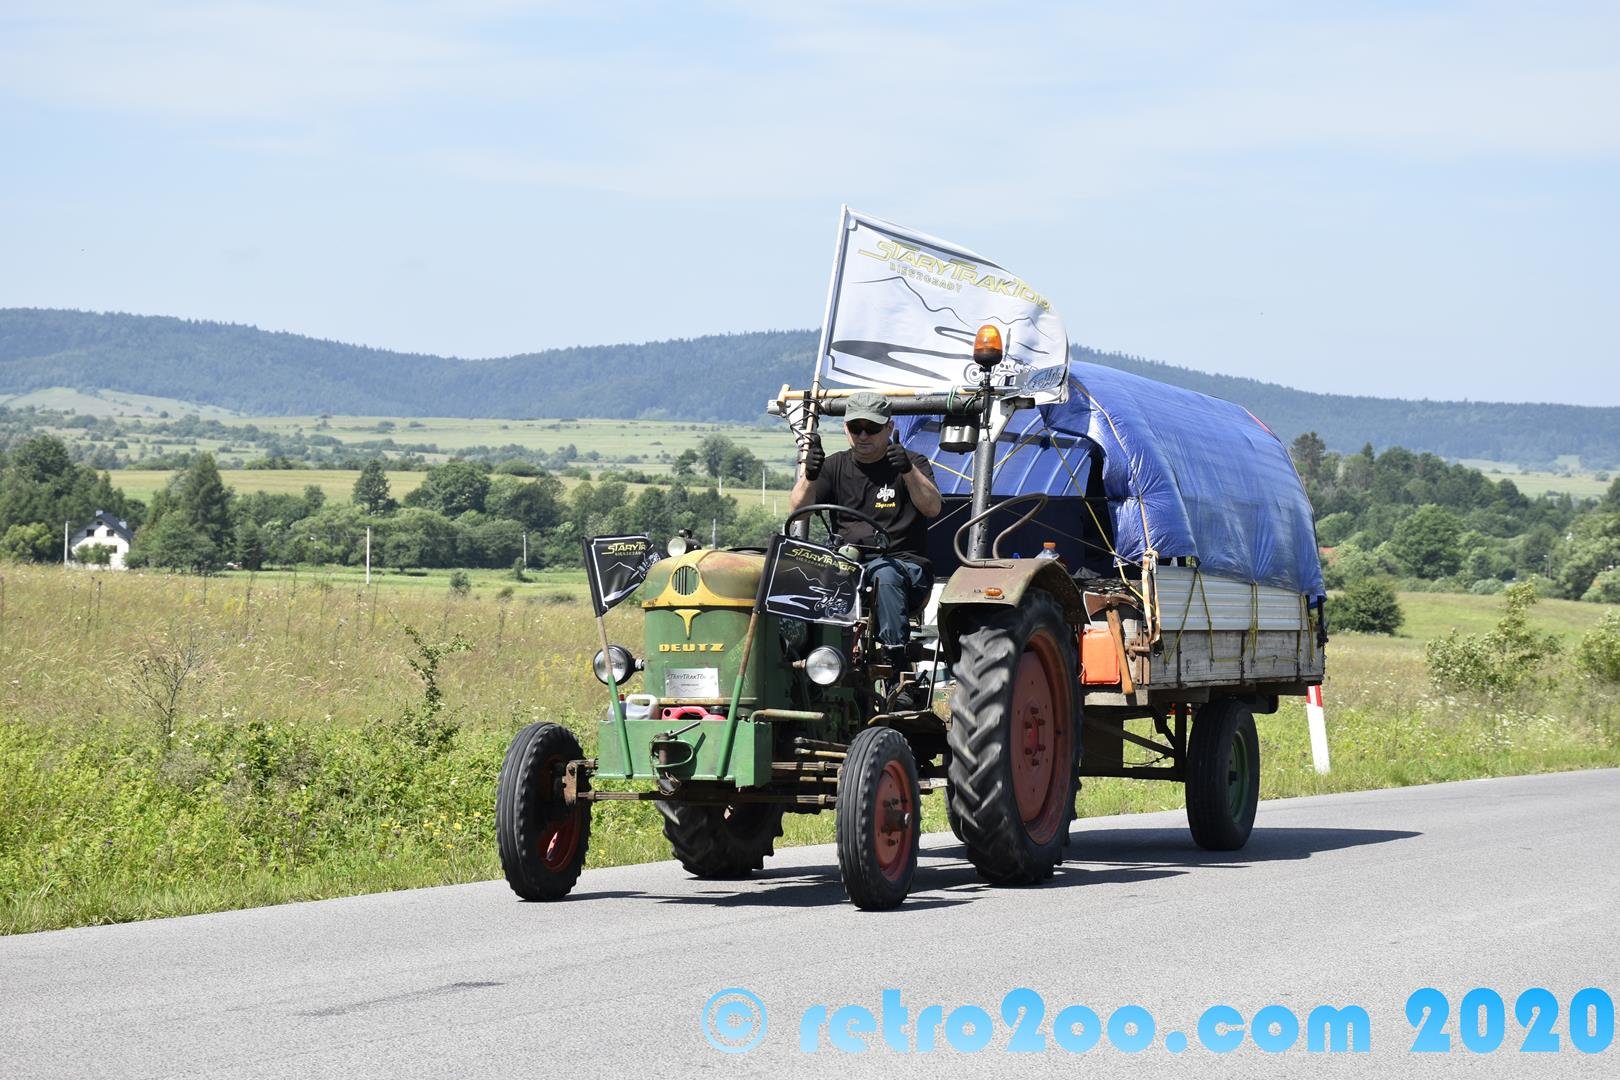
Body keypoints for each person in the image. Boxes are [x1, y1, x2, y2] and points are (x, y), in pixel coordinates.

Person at [790, 391, 942, 702]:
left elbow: (932, 507)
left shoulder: (913, 463)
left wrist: (907, 471)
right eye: (855, 428)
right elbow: (797, 510)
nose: (862, 436)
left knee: (884, 573)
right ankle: (805, 660)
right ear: (845, 429)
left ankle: (899, 669)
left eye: (871, 428)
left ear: (889, 428)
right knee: (798, 572)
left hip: (904, 565)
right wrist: (810, 475)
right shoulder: (834, 466)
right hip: (848, 563)